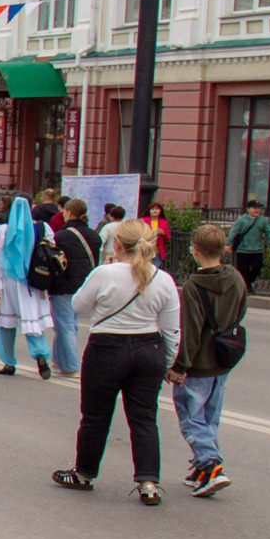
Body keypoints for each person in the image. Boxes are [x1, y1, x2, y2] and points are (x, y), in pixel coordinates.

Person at [56, 216, 180, 504]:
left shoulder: (104, 273)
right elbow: (172, 328)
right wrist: (170, 362)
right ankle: (148, 483)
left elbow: (78, 305)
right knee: (145, 419)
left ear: (118, 244)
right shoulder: (163, 279)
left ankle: (84, 473)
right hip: (149, 349)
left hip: (106, 348)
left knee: (96, 416)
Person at [170, 221, 249, 496]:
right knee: (210, 417)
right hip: (223, 359)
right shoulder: (236, 278)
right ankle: (201, 470)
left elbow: (190, 329)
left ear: (194, 250)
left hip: (199, 364)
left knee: (191, 416)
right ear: (223, 250)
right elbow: (241, 312)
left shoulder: (194, 285)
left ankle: (210, 464)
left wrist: (180, 365)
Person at [0, 197, 53, 378]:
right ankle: (40, 356)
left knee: (6, 323)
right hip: (32, 282)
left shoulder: (4, 230)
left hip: (9, 283)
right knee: (32, 321)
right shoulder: (43, 228)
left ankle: (8, 362)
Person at [47, 199, 96, 370]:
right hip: (85, 285)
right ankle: (58, 359)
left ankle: (70, 365)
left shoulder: (60, 236)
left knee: (64, 325)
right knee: (71, 324)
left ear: (68, 213)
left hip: (63, 285)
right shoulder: (93, 235)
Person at [227, 199, 270, 287]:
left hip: (257, 250)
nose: (257, 210)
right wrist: (227, 244)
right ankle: (246, 286)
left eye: (259, 208)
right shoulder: (242, 220)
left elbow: (269, 231)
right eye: (254, 208)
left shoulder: (262, 220)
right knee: (243, 269)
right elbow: (233, 232)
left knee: (257, 268)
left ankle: (248, 283)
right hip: (243, 250)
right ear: (248, 209)